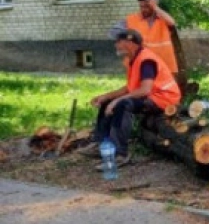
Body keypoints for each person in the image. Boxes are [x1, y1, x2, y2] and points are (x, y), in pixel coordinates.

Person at [77, 29, 182, 168]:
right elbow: (130, 88)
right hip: (151, 96)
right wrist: (106, 97)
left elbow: (145, 89)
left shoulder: (146, 60)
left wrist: (117, 101)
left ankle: (120, 154)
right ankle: (101, 144)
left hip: (164, 99)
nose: (115, 45)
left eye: (118, 42)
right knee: (108, 103)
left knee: (123, 105)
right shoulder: (133, 60)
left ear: (129, 43)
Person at [126, 0, 179, 75]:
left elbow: (172, 22)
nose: (143, 9)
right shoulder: (132, 19)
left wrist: (155, 7)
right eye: (141, 7)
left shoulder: (162, 19)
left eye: (146, 7)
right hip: (142, 62)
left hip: (163, 62)